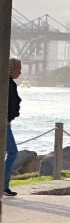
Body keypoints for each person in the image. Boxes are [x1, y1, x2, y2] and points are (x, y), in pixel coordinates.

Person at [5, 56, 21, 196]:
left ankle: (4, 184)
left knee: (11, 152)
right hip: (4, 124)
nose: (20, 73)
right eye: (18, 69)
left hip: (6, 122)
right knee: (12, 152)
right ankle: (3, 184)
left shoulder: (9, 83)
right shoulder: (7, 84)